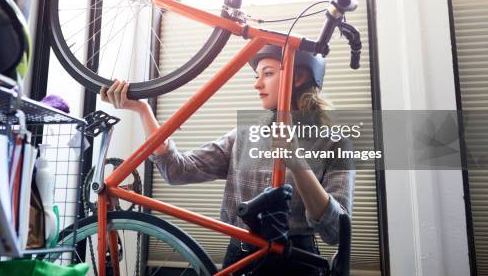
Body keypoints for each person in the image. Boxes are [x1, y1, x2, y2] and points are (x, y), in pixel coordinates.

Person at [100, 44, 355, 275]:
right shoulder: (244, 136)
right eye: (258, 76)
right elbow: (177, 169)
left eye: (267, 73)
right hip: (241, 256)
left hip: (298, 263)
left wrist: (296, 162)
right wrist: (142, 109)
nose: (257, 84)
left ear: (298, 77)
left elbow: (335, 231)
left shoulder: (335, 143)